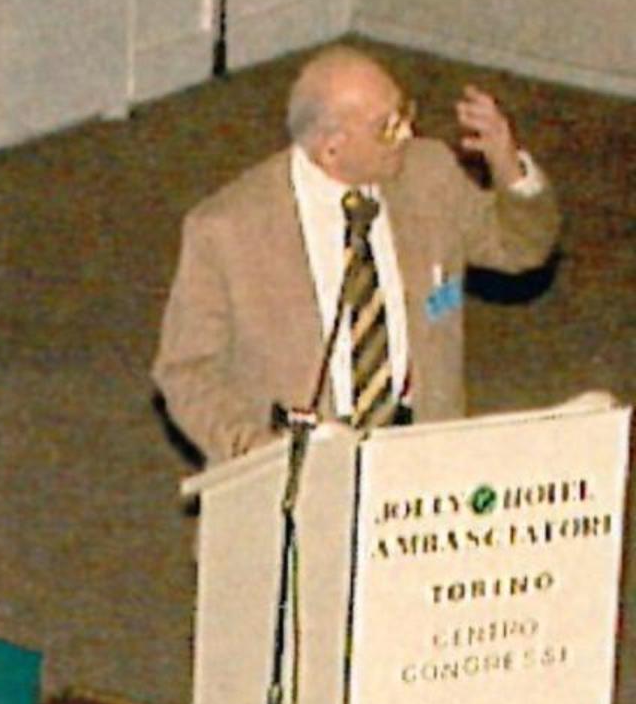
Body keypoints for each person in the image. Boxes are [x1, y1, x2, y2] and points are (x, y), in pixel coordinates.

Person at [152, 48, 561, 465]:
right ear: (331, 148)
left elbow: (521, 247)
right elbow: (187, 372)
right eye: (386, 127)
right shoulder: (226, 229)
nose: (406, 133)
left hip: (419, 444)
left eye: (404, 113)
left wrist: (507, 164)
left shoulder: (429, 173)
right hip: (303, 460)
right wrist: (251, 448)